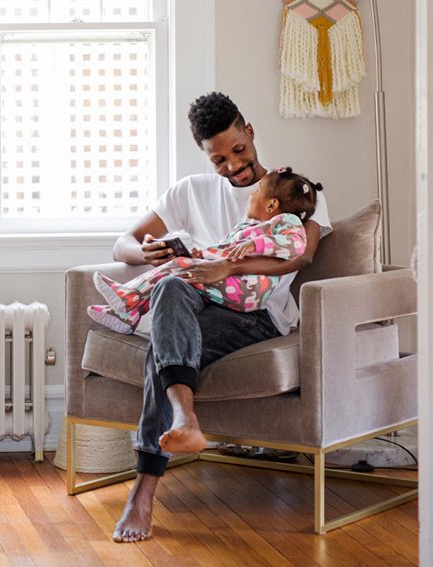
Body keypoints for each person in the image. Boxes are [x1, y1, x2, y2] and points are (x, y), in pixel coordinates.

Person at [107, 92, 330, 543]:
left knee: (163, 350)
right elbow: (122, 243)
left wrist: (230, 267)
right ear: (205, 156)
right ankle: (184, 418)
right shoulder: (189, 191)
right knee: (170, 284)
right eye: (219, 159)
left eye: (239, 151)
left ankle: (143, 492)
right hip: (198, 300)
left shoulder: (291, 190)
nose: (233, 165)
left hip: (256, 313)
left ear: (251, 133)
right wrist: (145, 251)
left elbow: (299, 257)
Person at [89, 167, 323, 335]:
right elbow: (225, 251)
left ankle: (128, 298)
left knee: (177, 270)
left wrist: (253, 245)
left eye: (257, 191)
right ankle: (129, 310)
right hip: (237, 284)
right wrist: (199, 256)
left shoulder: (285, 221)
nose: (251, 195)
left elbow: (295, 246)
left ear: (271, 205)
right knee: (176, 267)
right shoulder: (247, 226)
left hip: (248, 290)